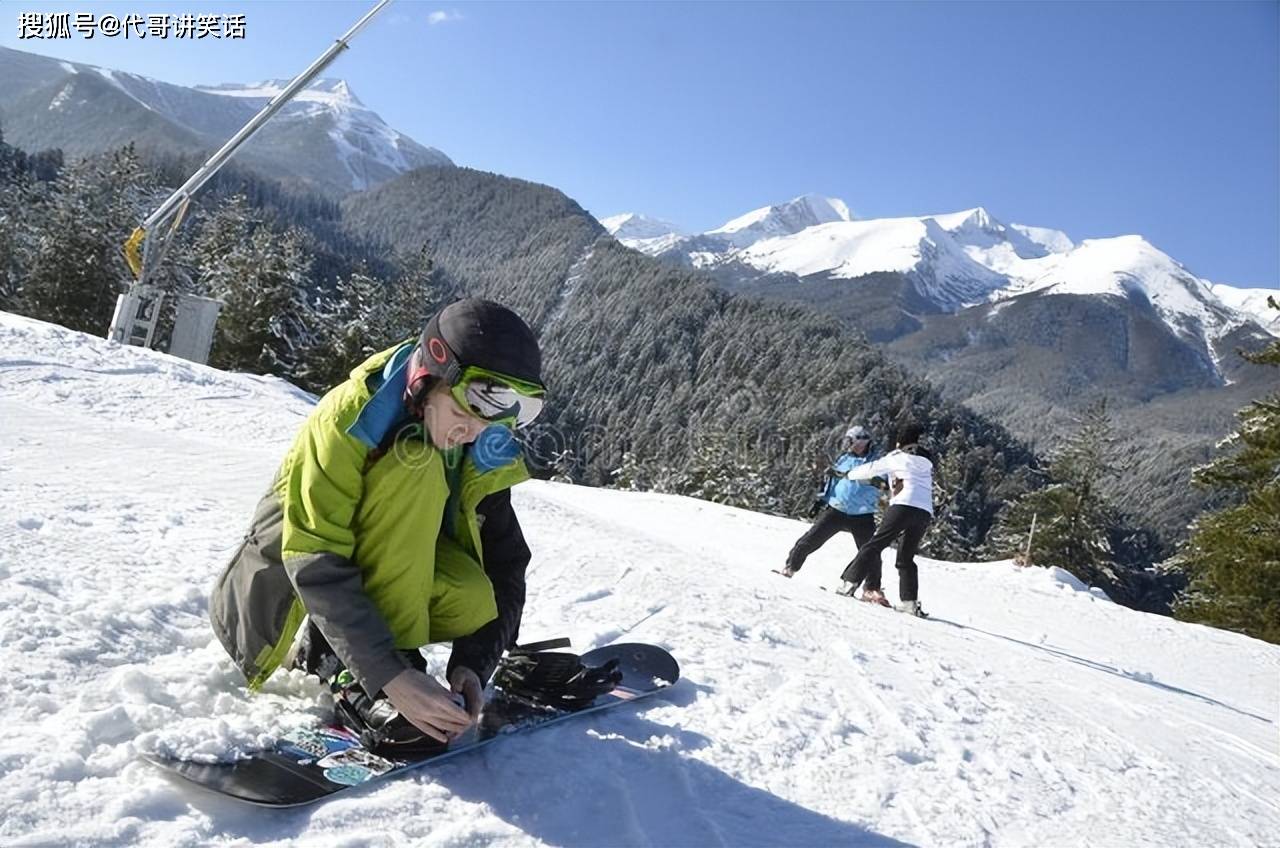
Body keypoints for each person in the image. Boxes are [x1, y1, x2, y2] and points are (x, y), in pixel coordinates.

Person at [208, 298, 548, 752]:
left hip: (378, 572)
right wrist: (392, 675)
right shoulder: (349, 417)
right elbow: (313, 554)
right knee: (416, 466)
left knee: (473, 598)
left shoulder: (481, 438)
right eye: (463, 416)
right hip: (288, 590)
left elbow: (505, 559)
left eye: (487, 424)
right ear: (429, 377)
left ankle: (361, 652)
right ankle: (352, 670)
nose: (472, 433)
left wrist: (474, 663)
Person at [779, 425, 888, 601]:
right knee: (810, 539)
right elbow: (831, 483)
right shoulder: (844, 459)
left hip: (862, 513)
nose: (855, 445)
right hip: (837, 509)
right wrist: (820, 501)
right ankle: (790, 567)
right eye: (852, 442)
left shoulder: (876, 463)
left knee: (870, 552)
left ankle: (872, 588)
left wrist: (876, 483)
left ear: (866, 442)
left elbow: (885, 485)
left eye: (858, 442)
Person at [836, 423, 934, 617]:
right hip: (924, 511)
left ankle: (849, 583)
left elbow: (870, 469)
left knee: (874, 545)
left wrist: (849, 474)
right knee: (906, 557)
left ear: (900, 442)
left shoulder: (895, 458)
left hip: (903, 506)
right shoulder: (926, 462)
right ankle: (909, 602)